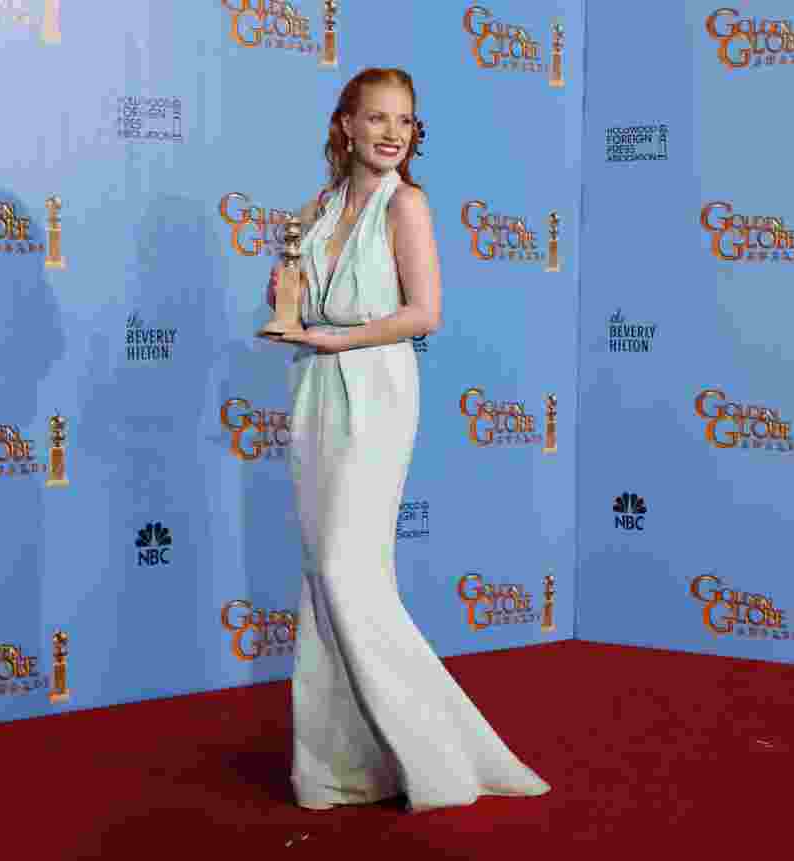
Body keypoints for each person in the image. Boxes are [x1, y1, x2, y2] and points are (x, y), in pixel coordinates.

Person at [265, 68, 551, 814]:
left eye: (406, 121)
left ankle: (440, 755)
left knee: (346, 566)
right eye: (379, 118)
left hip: (377, 389)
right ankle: (344, 766)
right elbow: (300, 301)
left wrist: (336, 339)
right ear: (347, 126)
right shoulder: (319, 208)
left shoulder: (409, 205)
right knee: (324, 580)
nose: (394, 133)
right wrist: (288, 299)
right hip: (317, 392)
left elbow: (424, 313)